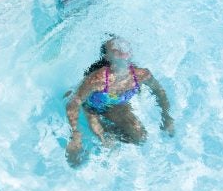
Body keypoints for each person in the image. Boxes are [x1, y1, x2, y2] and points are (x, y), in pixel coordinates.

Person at [65, 37, 174, 166]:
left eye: (124, 45)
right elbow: (74, 103)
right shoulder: (98, 79)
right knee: (105, 141)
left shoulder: (141, 75)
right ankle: (98, 137)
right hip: (91, 108)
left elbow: (159, 91)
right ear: (107, 57)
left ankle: (112, 134)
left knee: (141, 137)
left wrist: (167, 117)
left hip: (116, 106)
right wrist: (75, 135)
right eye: (116, 48)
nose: (121, 48)